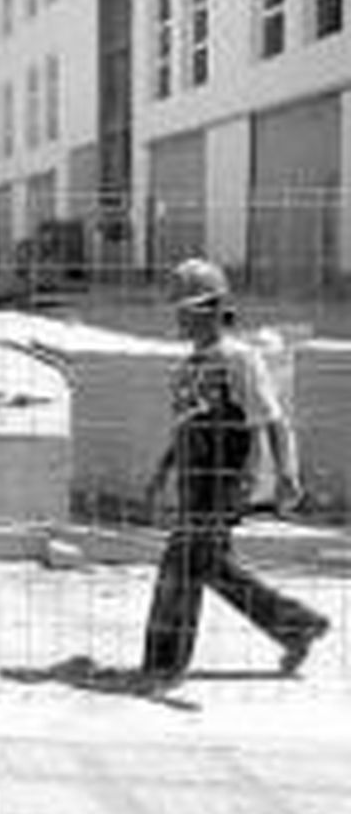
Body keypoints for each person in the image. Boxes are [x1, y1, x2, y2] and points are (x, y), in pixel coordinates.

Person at [141, 258, 331, 685]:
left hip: (226, 479)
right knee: (208, 564)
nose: (178, 317)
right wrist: (161, 473)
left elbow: (272, 419)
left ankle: (162, 665)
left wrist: (286, 475)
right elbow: (184, 428)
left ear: (210, 308)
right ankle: (295, 626)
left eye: (184, 309)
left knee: (182, 561)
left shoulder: (238, 358)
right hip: (195, 482)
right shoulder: (188, 367)